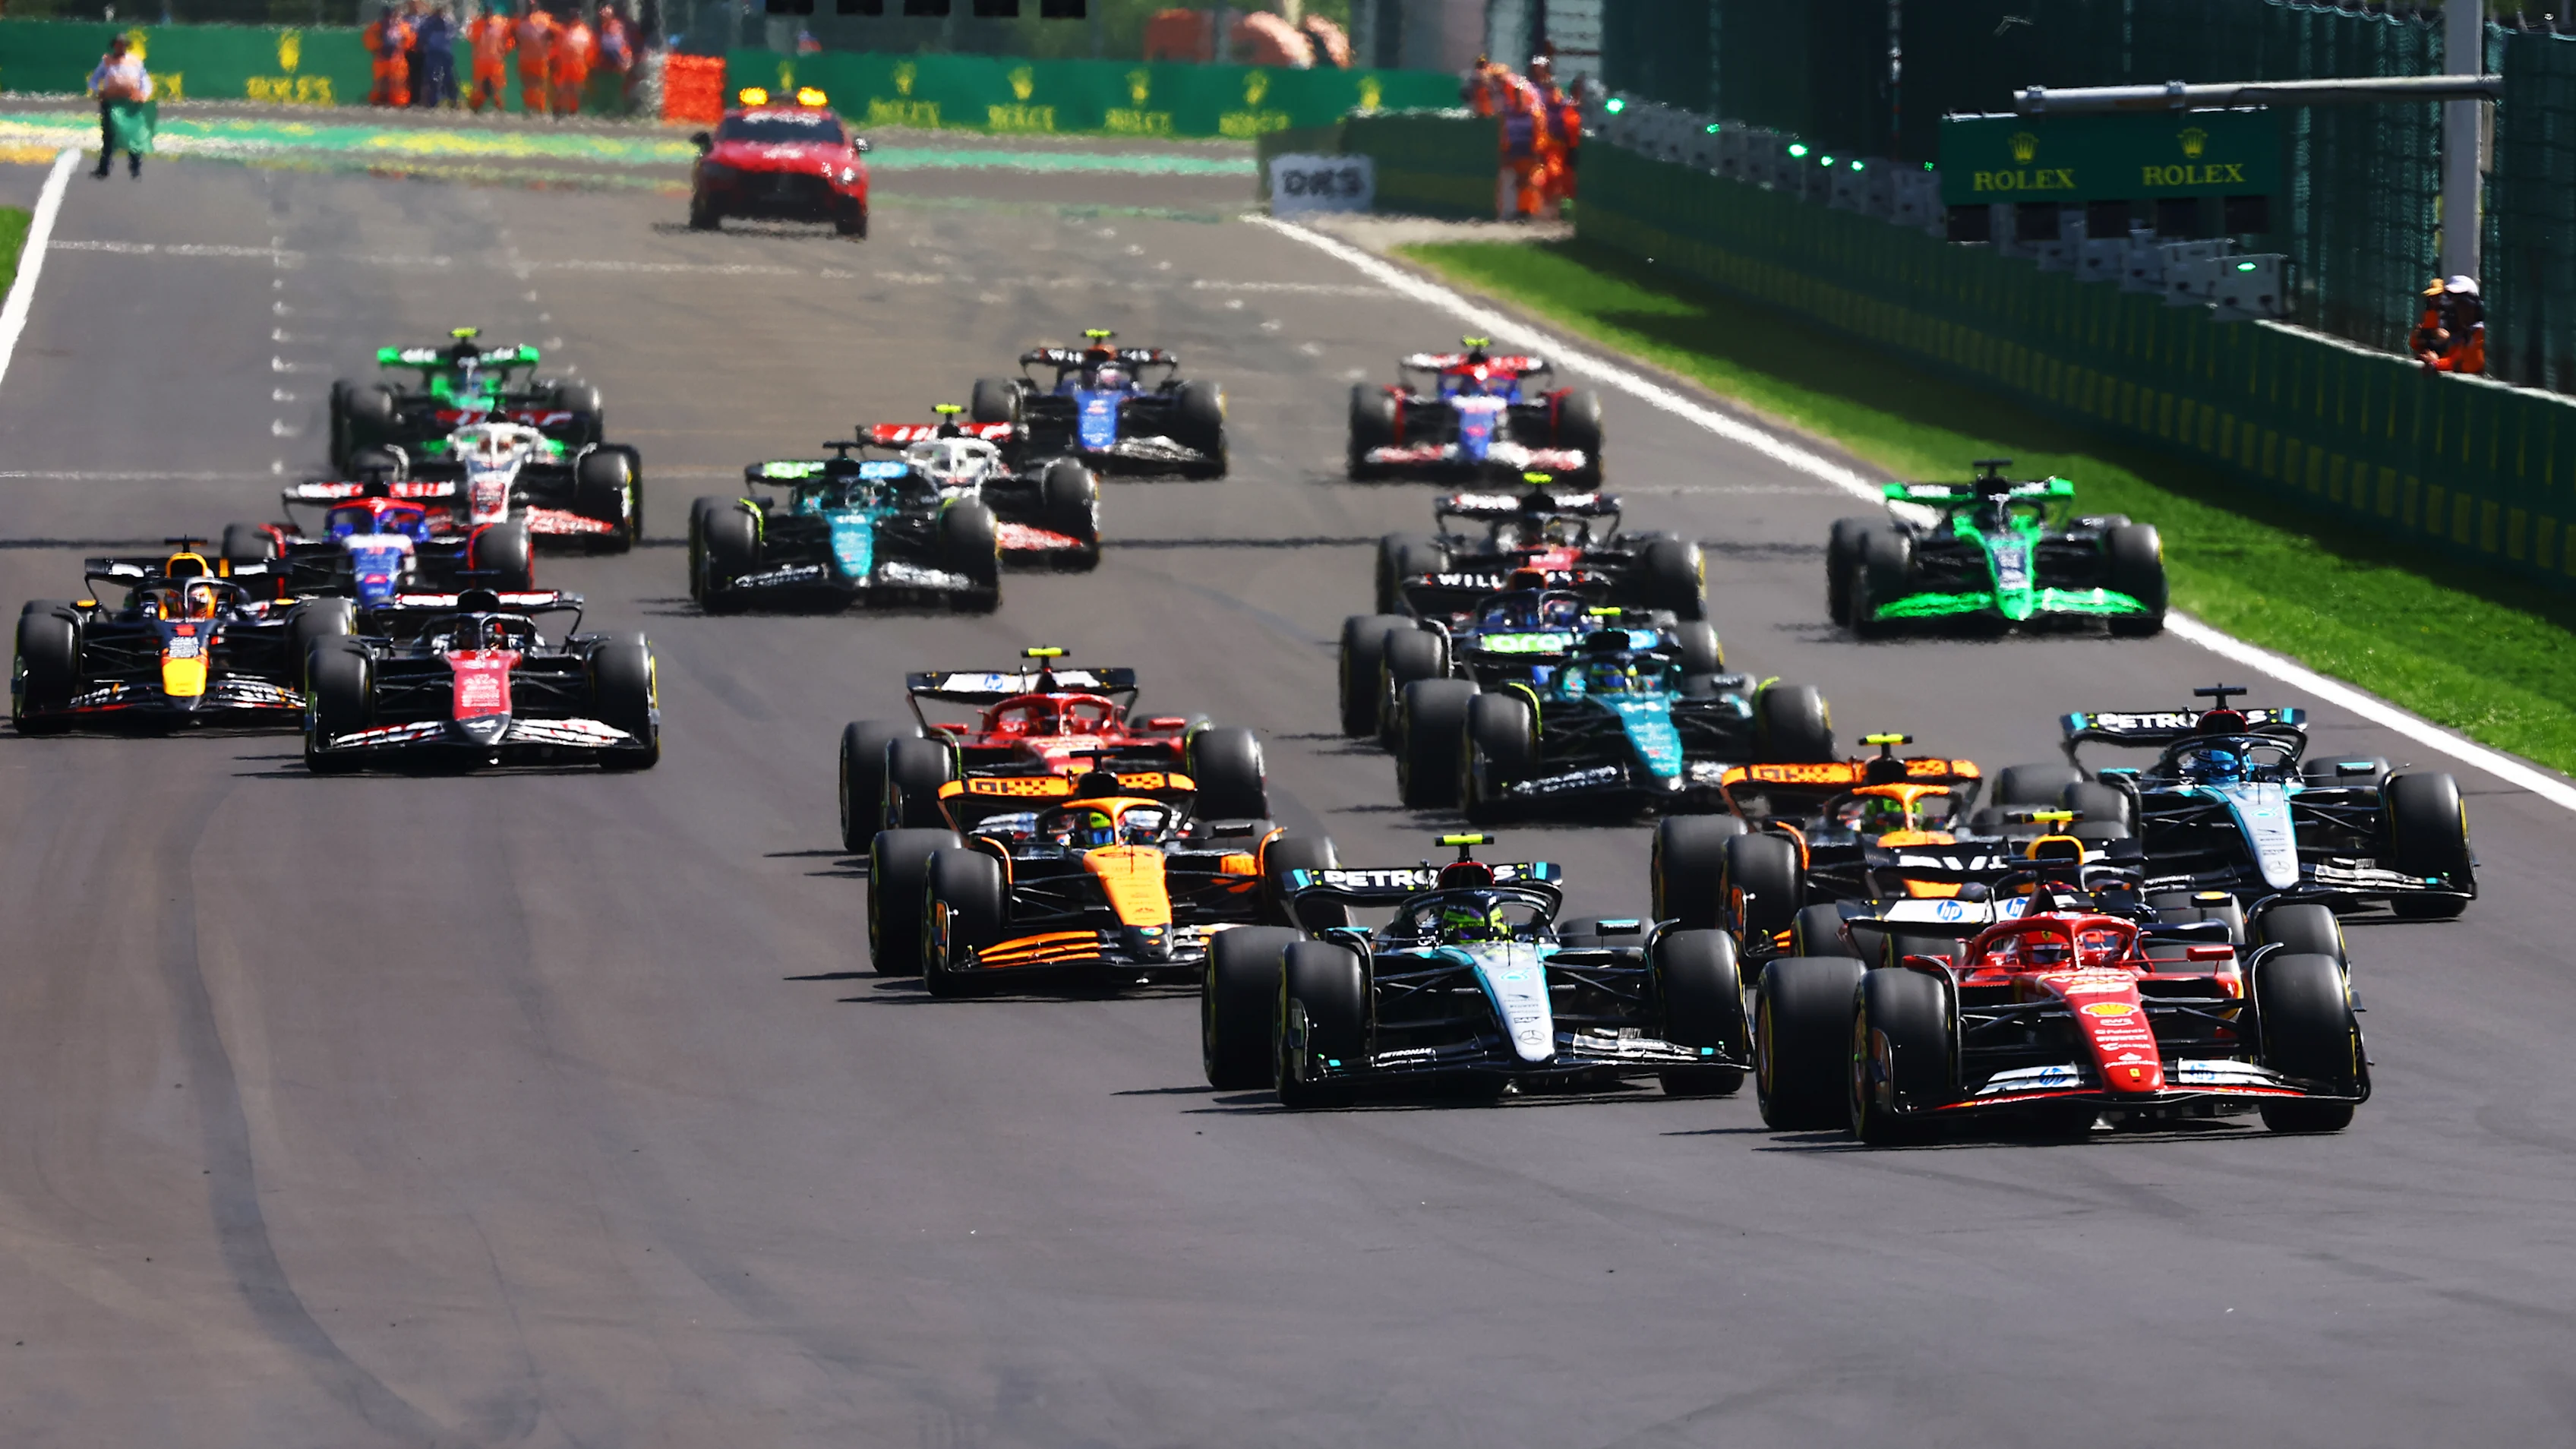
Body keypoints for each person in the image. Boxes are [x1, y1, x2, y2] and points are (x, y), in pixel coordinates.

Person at [87, 36, 153, 180]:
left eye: (123, 44)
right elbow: (93, 80)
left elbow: (145, 81)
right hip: (112, 103)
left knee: (134, 137)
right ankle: (103, 169)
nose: (120, 47)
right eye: (118, 44)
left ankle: (135, 170)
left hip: (131, 105)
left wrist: (143, 95)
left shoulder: (135, 61)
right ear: (114, 46)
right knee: (109, 137)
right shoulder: (107, 61)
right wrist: (98, 92)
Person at [2413, 274, 2486, 375]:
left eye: (2462, 304)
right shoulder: (2468, 333)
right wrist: (2435, 363)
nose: (2458, 310)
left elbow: (2474, 364)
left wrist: (2457, 365)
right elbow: (2453, 360)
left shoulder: (2481, 332)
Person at [466, 2, 516, 112]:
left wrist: (505, 50)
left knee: (497, 90)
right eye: (485, 10)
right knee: (478, 91)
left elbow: (510, 40)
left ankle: (500, 113)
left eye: (488, 10)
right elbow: (471, 39)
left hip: (495, 62)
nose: (487, 13)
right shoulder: (477, 24)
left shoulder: (501, 23)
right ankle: (475, 111)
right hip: (481, 63)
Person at [365, 3, 415, 107]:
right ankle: (378, 102)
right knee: (380, 82)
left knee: (398, 82)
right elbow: (369, 41)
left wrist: (401, 46)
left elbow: (410, 41)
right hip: (382, 59)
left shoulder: (404, 27)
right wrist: (377, 49)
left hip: (398, 59)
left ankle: (399, 103)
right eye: (390, 14)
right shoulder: (377, 27)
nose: (393, 16)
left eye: (396, 13)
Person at [514, 3, 558, 116]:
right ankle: (531, 110)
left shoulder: (544, 19)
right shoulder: (520, 22)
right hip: (527, 60)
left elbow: (554, 34)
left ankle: (539, 110)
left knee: (539, 86)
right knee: (530, 86)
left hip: (538, 60)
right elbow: (516, 39)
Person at [551, 8, 595, 118]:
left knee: (575, 91)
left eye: (576, 16)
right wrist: (553, 61)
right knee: (560, 90)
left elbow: (591, 50)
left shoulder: (586, 32)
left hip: (579, 67)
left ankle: (572, 114)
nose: (574, 19)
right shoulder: (563, 30)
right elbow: (556, 48)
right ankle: (557, 113)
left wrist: (591, 65)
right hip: (564, 66)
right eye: (572, 16)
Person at [413, 2, 456, 108]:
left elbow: (453, 35)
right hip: (432, 52)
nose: (440, 12)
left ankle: (452, 101)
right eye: (438, 9)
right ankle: (433, 102)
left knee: (448, 77)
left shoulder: (448, 22)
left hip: (445, 53)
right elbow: (421, 36)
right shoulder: (428, 22)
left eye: (441, 9)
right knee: (432, 78)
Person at [595, 3, 633, 116]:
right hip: (608, 64)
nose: (604, 12)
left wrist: (625, 60)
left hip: (620, 62)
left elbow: (618, 45)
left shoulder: (616, 25)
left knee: (620, 89)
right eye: (602, 10)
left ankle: (622, 112)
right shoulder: (602, 27)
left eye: (606, 9)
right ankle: (610, 111)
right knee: (609, 88)